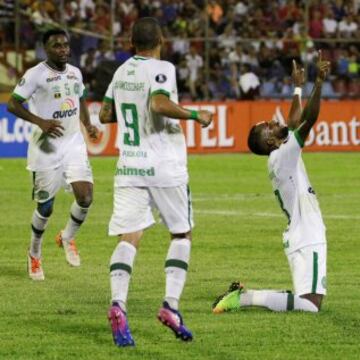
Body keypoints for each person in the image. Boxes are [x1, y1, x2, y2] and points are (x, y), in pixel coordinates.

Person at [99, 17, 213, 347]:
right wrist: (195, 115)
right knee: (181, 232)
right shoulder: (162, 68)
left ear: (131, 43)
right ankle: (171, 306)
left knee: (129, 236)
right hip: (164, 165)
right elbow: (158, 103)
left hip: (129, 164)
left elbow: (106, 115)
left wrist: (130, 106)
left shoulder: (120, 72)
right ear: (161, 39)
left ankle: (119, 303)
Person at [213, 52, 330, 314]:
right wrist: (319, 83)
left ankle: (243, 297)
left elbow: (293, 122)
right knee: (310, 306)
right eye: (268, 125)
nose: (273, 121)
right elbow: (307, 121)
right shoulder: (283, 156)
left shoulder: (279, 154)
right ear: (269, 142)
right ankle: (243, 297)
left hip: (299, 233)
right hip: (308, 234)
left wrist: (298, 87)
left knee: (308, 302)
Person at [7, 28, 98, 281]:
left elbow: (79, 100)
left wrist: (88, 124)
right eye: (57, 46)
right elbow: (13, 103)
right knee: (45, 206)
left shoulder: (75, 72)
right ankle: (34, 253)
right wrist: (40, 122)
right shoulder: (35, 75)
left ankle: (67, 237)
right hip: (45, 148)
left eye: (66, 45)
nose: (64, 50)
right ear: (45, 49)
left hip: (72, 144)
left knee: (86, 196)